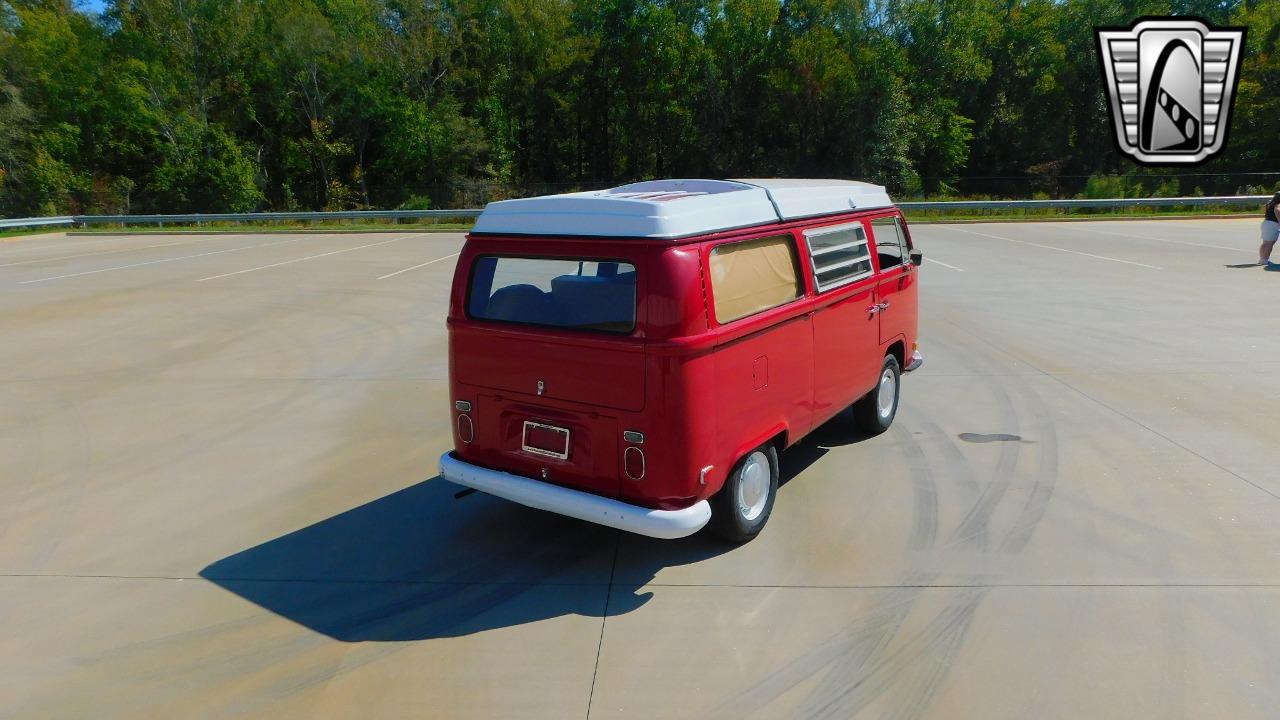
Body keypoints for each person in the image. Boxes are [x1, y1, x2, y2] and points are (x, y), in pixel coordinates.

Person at [1261, 191, 1280, 265]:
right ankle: (1265, 260)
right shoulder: (1278, 204)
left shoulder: (1269, 203)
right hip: (1273, 224)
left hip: (1266, 222)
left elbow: (1265, 210)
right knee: (1269, 244)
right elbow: (1277, 210)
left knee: (1265, 243)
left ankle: (1262, 259)